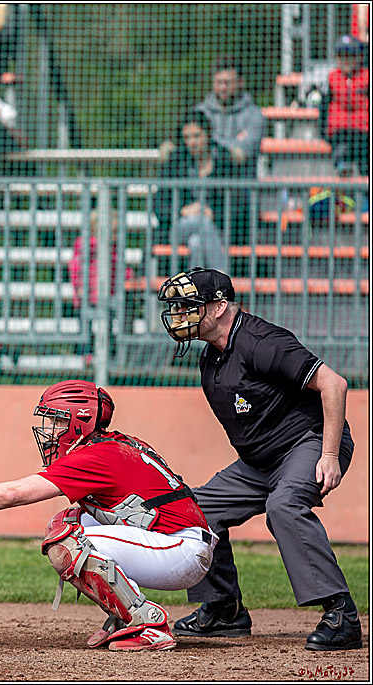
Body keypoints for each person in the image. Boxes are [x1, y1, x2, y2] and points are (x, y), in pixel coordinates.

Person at [0, 379, 215, 652]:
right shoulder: (111, 444)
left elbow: (14, 493)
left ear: (80, 422)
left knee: (64, 542)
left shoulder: (95, 456)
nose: (50, 430)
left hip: (180, 549)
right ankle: (125, 615)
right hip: (176, 542)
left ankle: (149, 623)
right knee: (68, 519)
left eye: (58, 421)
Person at [156, 268, 360, 651]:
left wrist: (329, 454)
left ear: (219, 307)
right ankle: (223, 611)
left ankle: (342, 615)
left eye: (188, 305)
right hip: (261, 462)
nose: (180, 314)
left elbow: (334, 384)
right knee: (195, 508)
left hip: (308, 442)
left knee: (283, 505)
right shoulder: (210, 360)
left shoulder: (262, 341)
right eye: (177, 307)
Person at [154, 110, 248, 272]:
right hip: (178, 228)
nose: (192, 142)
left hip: (217, 230)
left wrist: (214, 214)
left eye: (197, 136)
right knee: (202, 223)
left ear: (208, 134)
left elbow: (239, 206)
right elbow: (159, 205)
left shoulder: (224, 163)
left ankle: (195, 295)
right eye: (187, 137)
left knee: (197, 243)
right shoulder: (176, 163)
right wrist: (183, 211)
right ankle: (221, 280)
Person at [160, 56, 266, 175]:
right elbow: (185, 145)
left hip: (240, 186)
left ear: (240, 82)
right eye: (218, 82)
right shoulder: (199, 111)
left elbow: (245, 151)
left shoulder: (254, 115)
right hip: (203, 187)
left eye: (228, 83)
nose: (223, 88)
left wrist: (208, 144)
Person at [319, 35, 369, 177]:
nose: (346, 60)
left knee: (365, 158)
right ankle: (343, 189)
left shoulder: (366, 77)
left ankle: (366, 195)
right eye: (342, 55)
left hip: (363, 133)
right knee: (342, 152)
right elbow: (323, 107)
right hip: (339, 133)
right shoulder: (332, 78)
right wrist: (324, 132)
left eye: (350, 55)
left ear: (359, 57)